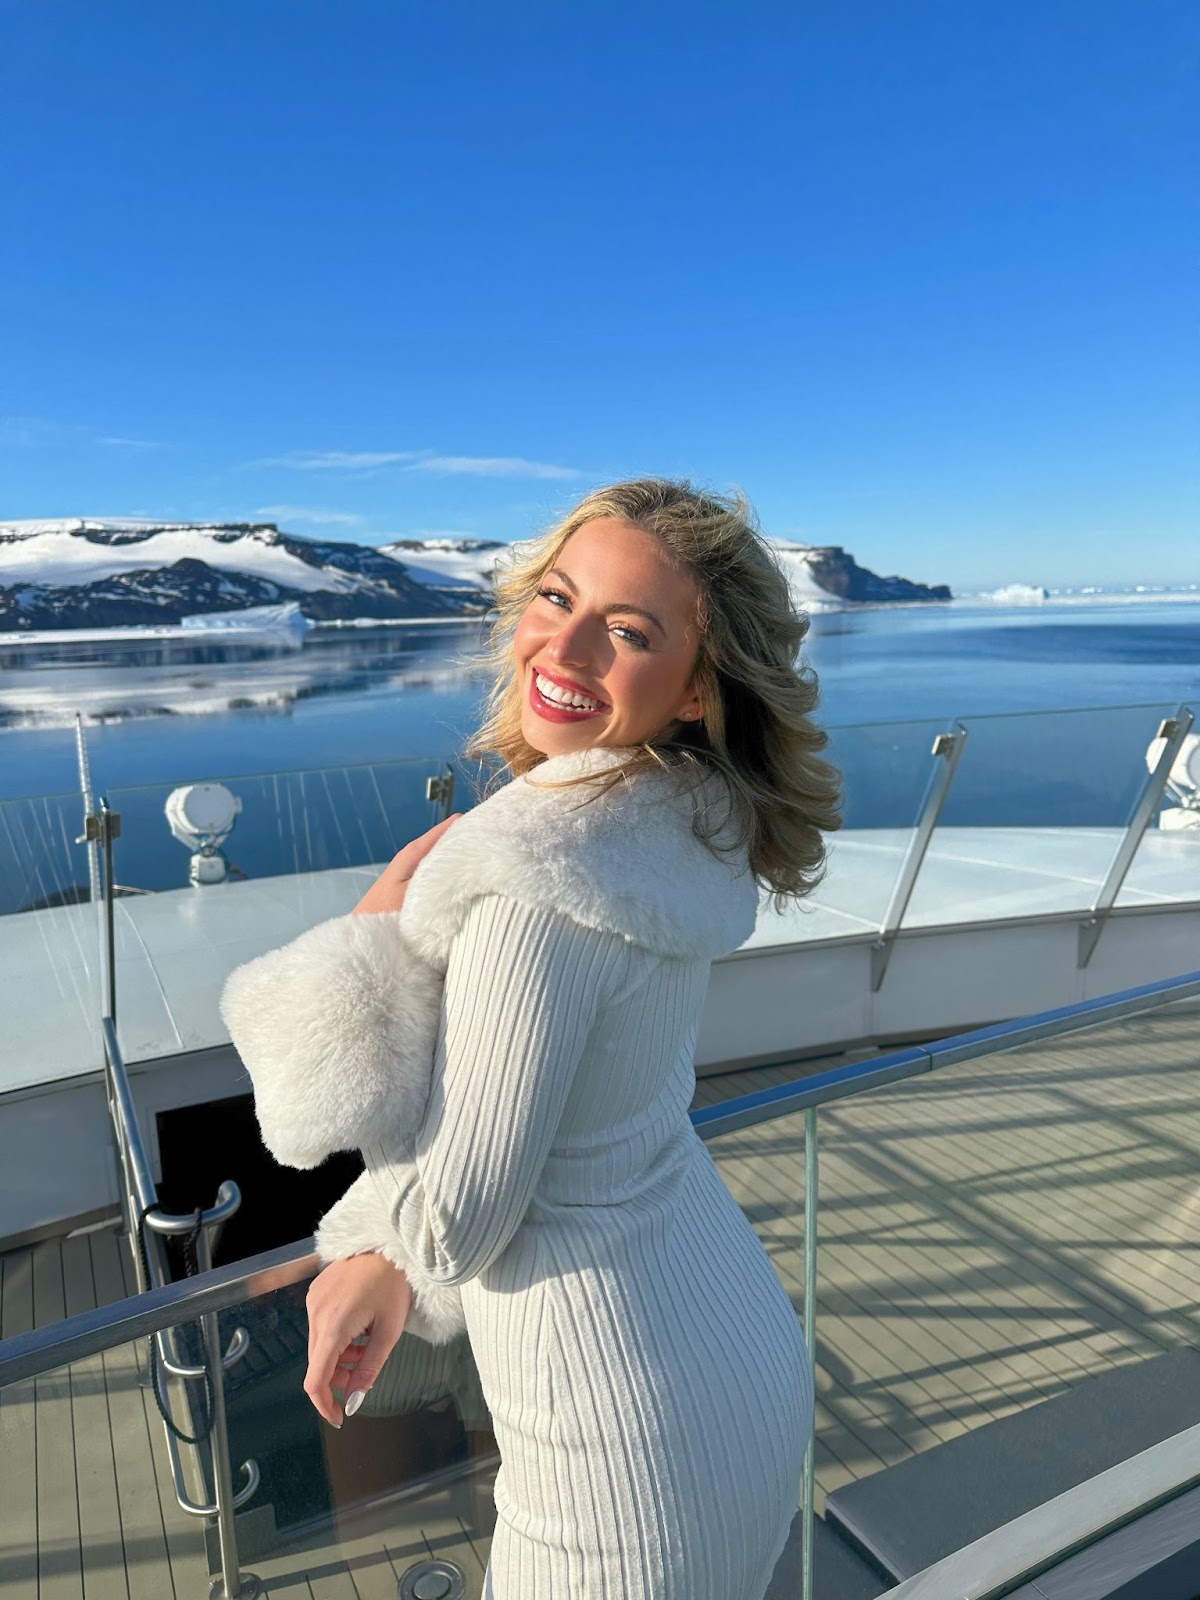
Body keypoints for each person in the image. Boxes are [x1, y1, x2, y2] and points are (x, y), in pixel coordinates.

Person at [220, 477, 842, 1599]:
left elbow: (456, 1222)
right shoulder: (675, 822)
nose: (566, 645)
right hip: (735, 1347)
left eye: (630, 631)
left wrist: (368, 944)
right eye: (557, 598)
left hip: (619, 1428)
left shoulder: (538, 883)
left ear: (698, 686)